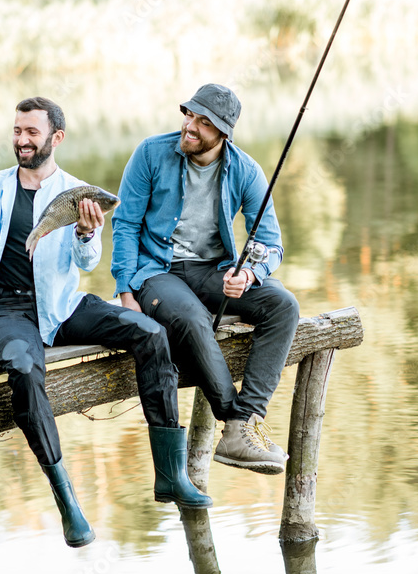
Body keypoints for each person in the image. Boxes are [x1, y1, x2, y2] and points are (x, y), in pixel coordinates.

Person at [0, 97, 212, 548]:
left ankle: (170, 475)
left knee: (151, 332)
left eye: (31, 133)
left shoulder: (77, 191)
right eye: (17, 131)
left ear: (55, 138)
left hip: (61, 306)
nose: (21, 140)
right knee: (25, 370)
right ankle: (66, 499)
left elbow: (87, 261)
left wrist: (87, 231)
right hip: (4, 313)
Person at [111, 83, 300, 476]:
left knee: (283, 305)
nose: (190, 126)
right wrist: (126, 291)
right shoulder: (150, 153)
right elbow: (125, 224)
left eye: (203, 122)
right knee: (193, 318)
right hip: (156, 271)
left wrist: (248, 273)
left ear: (224, 134)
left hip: (212, 270)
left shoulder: (246, 170)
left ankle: (243, 423)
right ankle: (237, 426)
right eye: (189, 115)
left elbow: (271, 243)